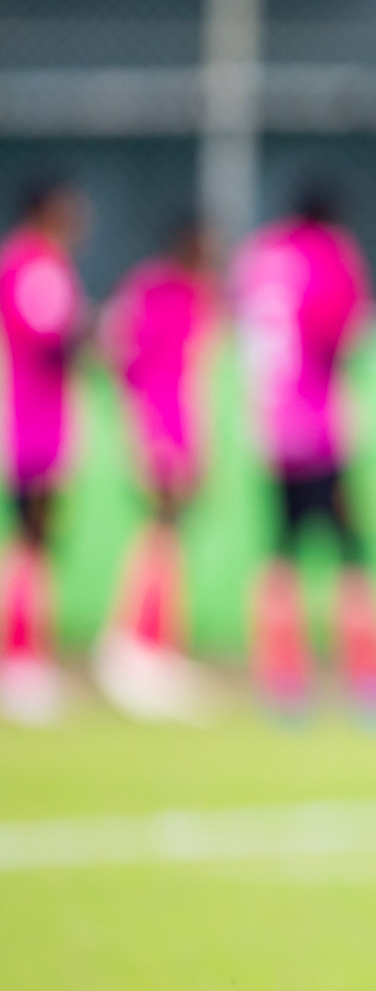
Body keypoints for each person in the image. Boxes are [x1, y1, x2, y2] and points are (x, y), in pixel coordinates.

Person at [231, 184, 376, 719]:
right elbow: (344, 335)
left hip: (269, 426)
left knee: (280, 551)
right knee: (353, 553)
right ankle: (372, 682)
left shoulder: (258, 255)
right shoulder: (329, 255)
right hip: (320, 428)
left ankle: (281, 680)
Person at [93, 215, 220, 723]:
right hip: (163, 430)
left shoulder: (180, 294)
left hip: (171, 428)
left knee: (168, 537)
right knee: (160, 535)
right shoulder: (169, 295)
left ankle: (153, 643)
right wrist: (147, 430)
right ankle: (134, 643)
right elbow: (129, 360)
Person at [0, 177, 90, 725]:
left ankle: (29, 657)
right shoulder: (37, 266)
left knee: (35, 545)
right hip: (34, 429)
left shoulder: (28, 263)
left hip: (37, 427)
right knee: (32, 545)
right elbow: (53, 340)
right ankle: (22, 658)